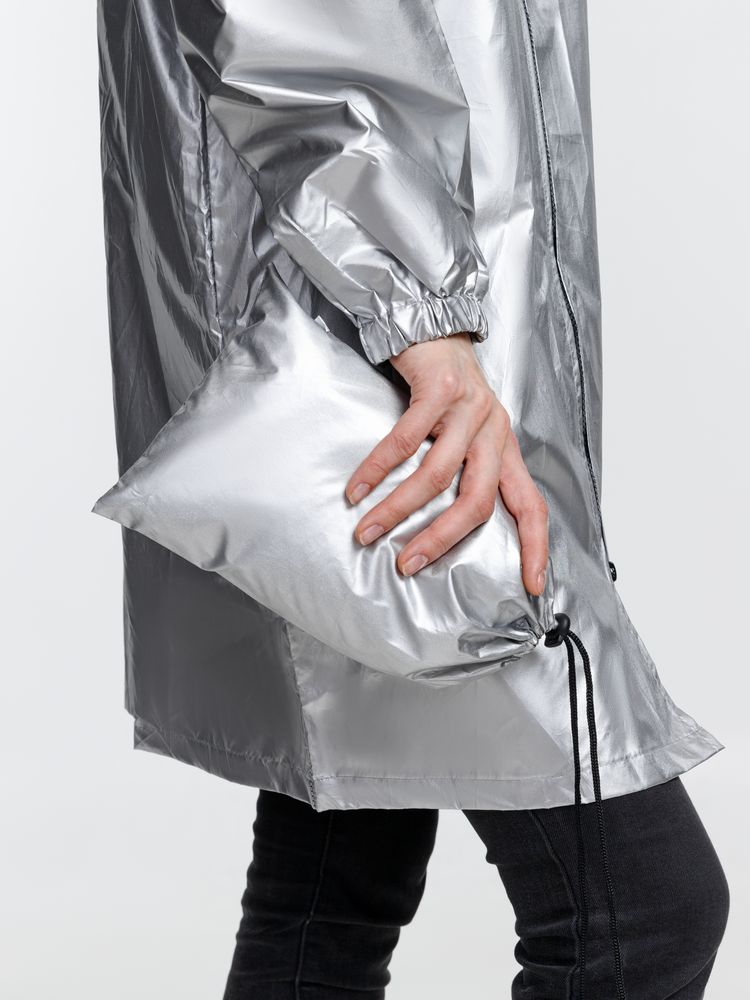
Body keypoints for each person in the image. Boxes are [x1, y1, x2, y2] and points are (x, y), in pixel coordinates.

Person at [94, 2, 729, 996]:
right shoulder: (406, 316)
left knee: (340, 875)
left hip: (407, 331)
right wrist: (417, 306)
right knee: (640, 913)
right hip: (371, 342)